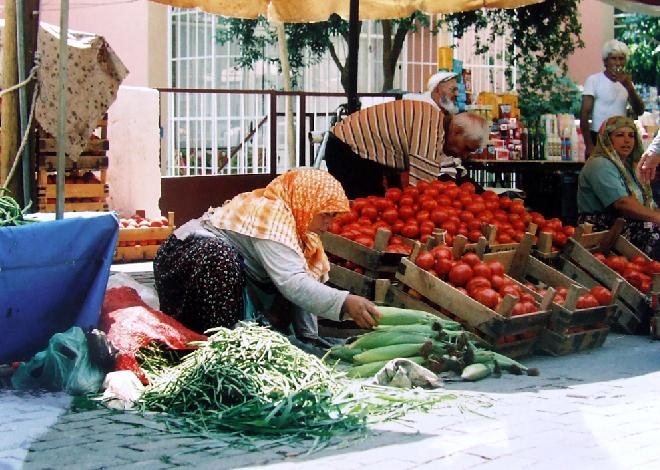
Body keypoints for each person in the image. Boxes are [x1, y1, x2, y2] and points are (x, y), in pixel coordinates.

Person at [153, 168, 382, 343]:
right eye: (326, 215)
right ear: (307, 203)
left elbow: (302, 283)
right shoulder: (271, 214)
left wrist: (310, 339)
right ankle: (218, 348)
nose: (330, 225)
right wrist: (344, 301)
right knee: (218, 259)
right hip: (185, 259)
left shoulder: (302, 233)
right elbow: (292, 283)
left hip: (217, 262)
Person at [324, 99, 489, 198]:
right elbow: (422, 189)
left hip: (353, 149)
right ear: (457, 131)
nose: (466, 156)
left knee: (374, 205)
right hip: (348, 150)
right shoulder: (431, 130)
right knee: (365, 208)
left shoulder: (434, 120)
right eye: (467, 148)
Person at [577, 116, 659, 258]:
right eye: (620, 135)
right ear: (607, 139)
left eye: (631, 135)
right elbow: (623, 203)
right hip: (605, 234)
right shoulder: (599, 164)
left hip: (627, 232)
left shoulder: (629, 167)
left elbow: (646, 203)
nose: (627, 140)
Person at [579, 39, 645, 158]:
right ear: (606, 61)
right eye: (613, 58)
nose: (618, 63)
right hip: (598, 135)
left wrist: (629, 87)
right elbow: (584, 113)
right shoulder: (594, 80)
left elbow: (639, 110)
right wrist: (589, 144)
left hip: (621, 137)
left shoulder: (627, 83)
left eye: (621, 58)